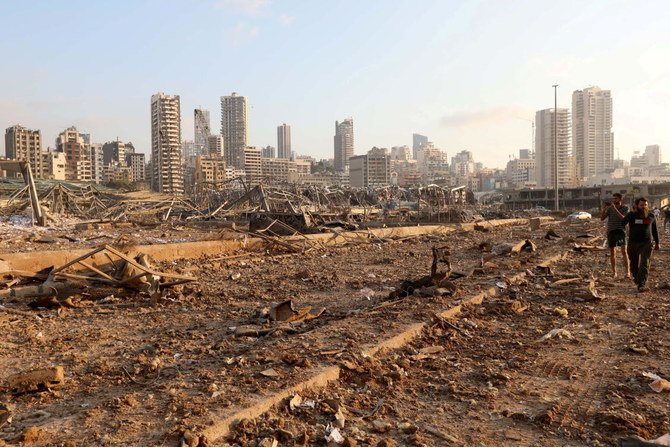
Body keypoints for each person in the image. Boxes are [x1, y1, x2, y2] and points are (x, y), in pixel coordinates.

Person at [623, 197, 660, 292]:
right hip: (633, 243)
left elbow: (655, 230)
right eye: (641, 205)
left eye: (645, 205)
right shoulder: (631, 215)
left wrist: (657, 243)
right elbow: (622, 223)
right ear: (637, 205)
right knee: (633, 264)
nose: (644, 207)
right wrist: (631, 213)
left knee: (645, 263)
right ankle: (637, 278)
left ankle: (641, 284)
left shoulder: (651, 216)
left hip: (646, 243)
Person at [600, 193, 629, 278]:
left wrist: (614, 209)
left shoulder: (625, 208)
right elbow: (602, 218)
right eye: (613, 199)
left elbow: (623, 218)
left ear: (620, 199)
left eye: (616, 199)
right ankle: (614, 272)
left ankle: (627, 272)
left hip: (621, 231)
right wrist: (604, 209)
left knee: (624, 252)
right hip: (611, 231)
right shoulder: (610, 209)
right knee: (612, 252)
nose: (614, 200)